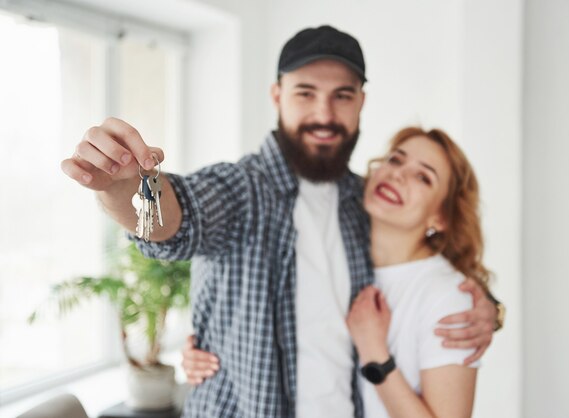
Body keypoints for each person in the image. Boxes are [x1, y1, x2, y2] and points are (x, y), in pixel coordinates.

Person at [62, 25, 501, 418]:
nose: (324, 115)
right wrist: (121, 188)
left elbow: (426, 258)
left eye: (342, 96)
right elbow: (178, 220)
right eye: (305, 93)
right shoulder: (243, 190)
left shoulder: (364, 201)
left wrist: (486, 307)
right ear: (277, 96)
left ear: (361, 102)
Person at [347, 126, 488, 417]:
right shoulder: (341, 257)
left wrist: (375, 354)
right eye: (396, 160)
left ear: (441, 216)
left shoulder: (448, 296)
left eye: (423, 177)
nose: (397, 174)